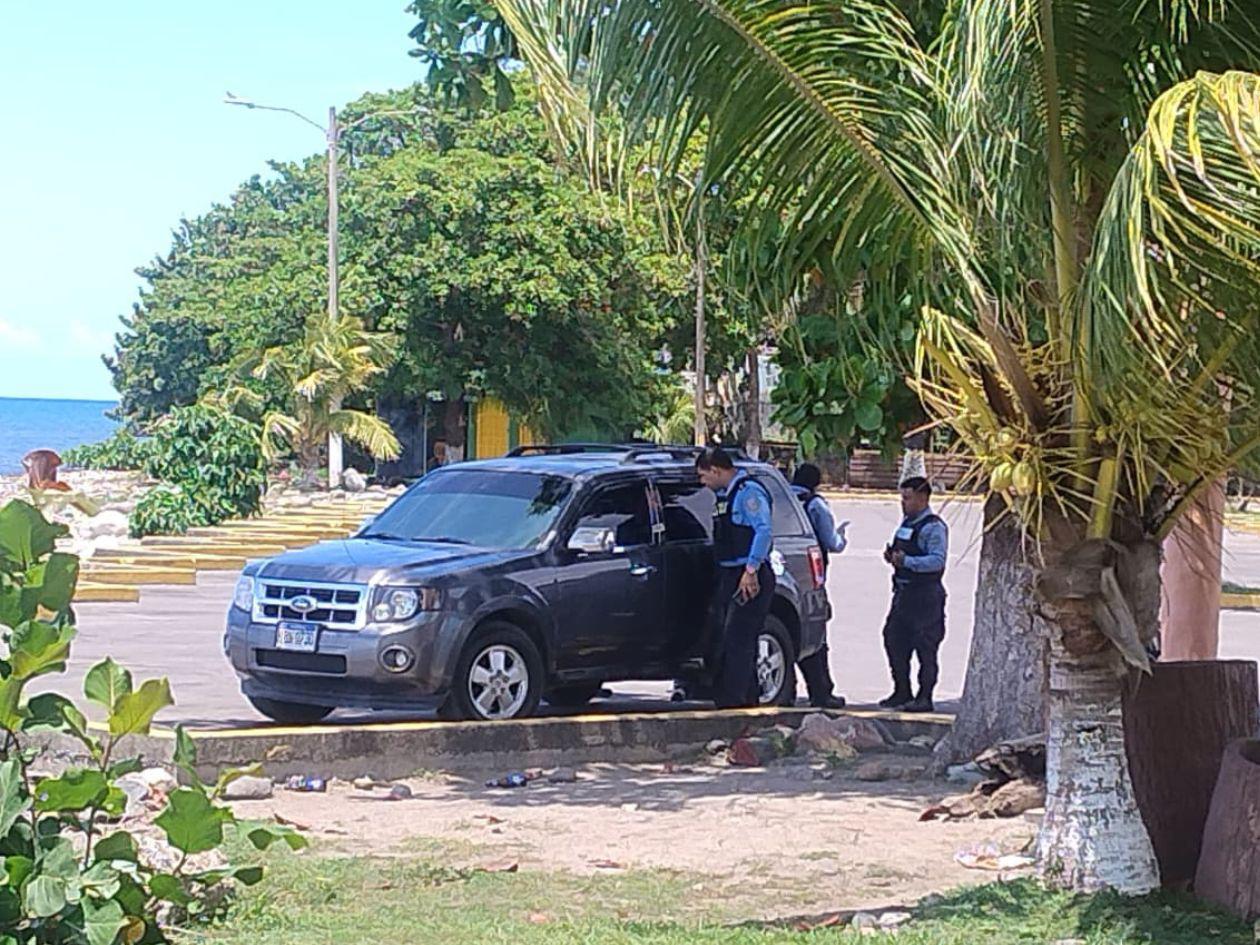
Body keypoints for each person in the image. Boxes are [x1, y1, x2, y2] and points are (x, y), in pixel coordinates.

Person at [696, 446, 776, 709]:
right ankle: (747, 696)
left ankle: (735, 702)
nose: (702, 483)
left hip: (748, 574)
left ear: (716, 470)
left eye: (703, 476)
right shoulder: (725, 496)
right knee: (728, 636)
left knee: (738, 638)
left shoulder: (748, 493)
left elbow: (763, 530)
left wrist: (751, 570)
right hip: (731, 573)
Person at [879, 476, 948, 713]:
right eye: (902, 498)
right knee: (894, 639)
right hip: (903, 595)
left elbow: (937, 561)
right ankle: (901, 691)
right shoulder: (907, 524)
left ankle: (924, 697)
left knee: (925, 647)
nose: (903, 503)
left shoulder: (933, 527)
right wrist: (893, 558)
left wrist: (907, 561)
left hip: (926, 597)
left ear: (922, 498)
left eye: (907, 498)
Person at [791, 463, 848, 710]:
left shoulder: (783, 498)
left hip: (782, 568)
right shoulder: (815, 504)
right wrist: (842, 535)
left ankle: (788, 689)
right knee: (816, 633)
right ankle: (822, 691)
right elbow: (833, 543)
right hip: (811, 576)